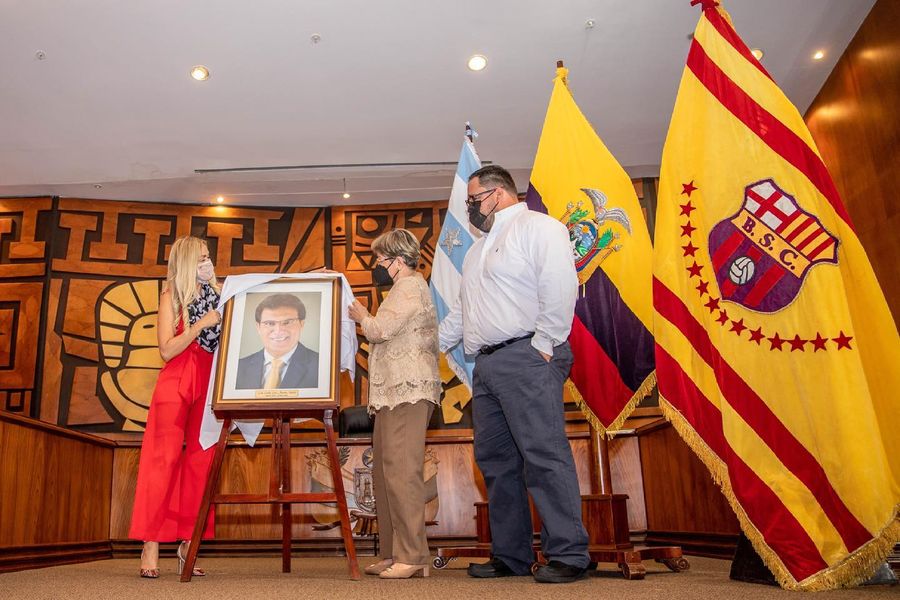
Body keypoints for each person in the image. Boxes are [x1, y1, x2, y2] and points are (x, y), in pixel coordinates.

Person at [438, 165, 591, 583]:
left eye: (473, 199)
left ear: (498, 193)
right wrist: (430, 345)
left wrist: (544, 344)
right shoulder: (476, 251)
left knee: (543, 454)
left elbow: (559, 285)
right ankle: (511, 555)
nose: (470, 207)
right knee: (496, 461)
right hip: (486, 365)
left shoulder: (539, 228)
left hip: (528, 354)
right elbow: (463, 312)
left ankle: (569, 554)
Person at [347, 228, 441, 580]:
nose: (378, 265)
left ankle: (413, 554)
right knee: (385, 473)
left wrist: (360, 314)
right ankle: (392, 552)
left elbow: (379, 330)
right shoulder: (401, 289)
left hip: (408, 390)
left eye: (381, 259)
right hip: (390, 393)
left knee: (402, 471)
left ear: (399, 261)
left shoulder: (410, 287)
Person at [129, 236, 222, 578]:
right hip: (177, 380)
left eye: (208, 257)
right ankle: (150, 542)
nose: (207, 263)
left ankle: (188, 544)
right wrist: (200, 324)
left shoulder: (218, 295)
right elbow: (166, 350)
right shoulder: (171, 296)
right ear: (185, 262)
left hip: (209, 382)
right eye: (201, 258)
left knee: (202, 464)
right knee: (162, 461)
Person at [235, 294, 319, 390]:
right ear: (258, 327)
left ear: (301, 324)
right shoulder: (238, 368)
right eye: (270, 323)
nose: (278, 331)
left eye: (287, 322)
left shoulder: (322, 366)